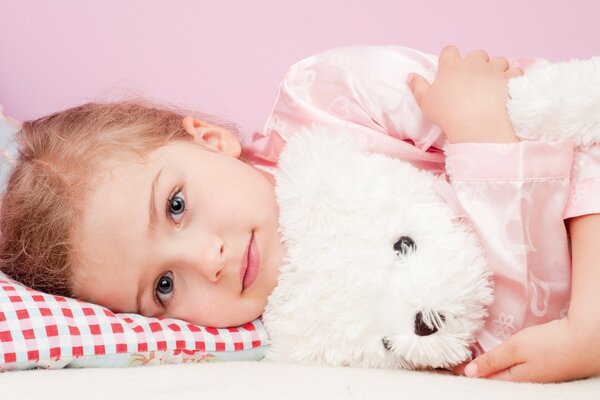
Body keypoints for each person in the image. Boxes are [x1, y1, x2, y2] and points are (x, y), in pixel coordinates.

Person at [1, 45, 598, 383]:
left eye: (176, 206)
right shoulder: (304, 334)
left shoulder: (330, 100)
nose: (206, 261)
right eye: (162, 286)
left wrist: (588, 323)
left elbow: (574, 132)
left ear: (209, 139)